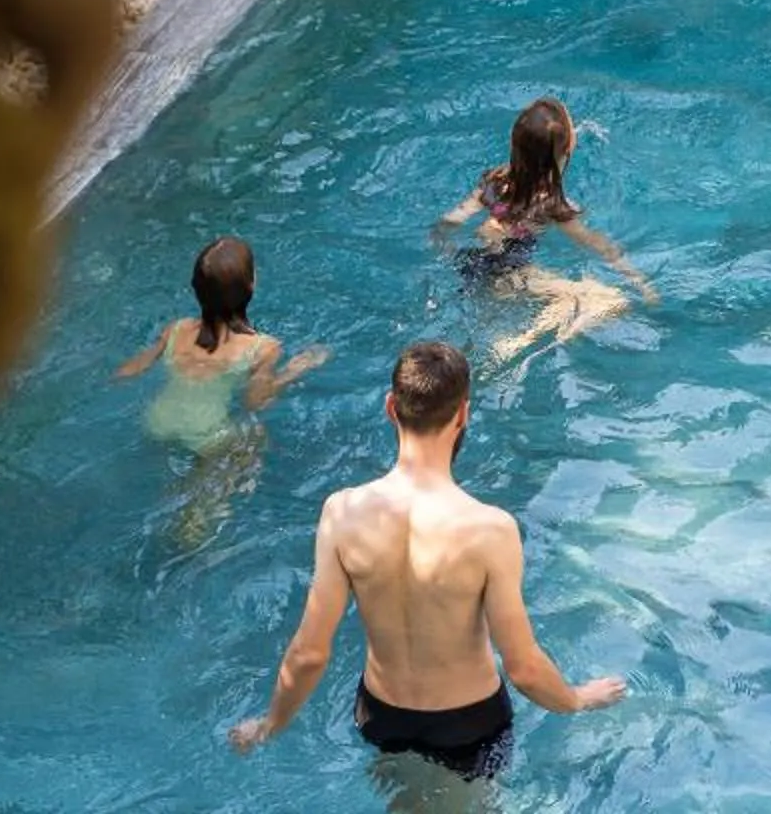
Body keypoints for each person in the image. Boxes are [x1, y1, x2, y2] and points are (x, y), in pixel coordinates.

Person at [230, 341, 628, 775]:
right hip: (470, 722)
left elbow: (309, 653)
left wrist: (269, 725)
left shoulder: (341, 512)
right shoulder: (489, 528)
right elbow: (523, 666)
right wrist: (577, 699)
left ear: (390, 408)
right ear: (463, 415)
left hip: (381, 717)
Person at [114, 236, 327, 547]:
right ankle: (196, 517)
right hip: (206, 432)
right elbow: (256, 402)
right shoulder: (262, 348)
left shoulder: (175, 329)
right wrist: (296, 370)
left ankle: (173, 488)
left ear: (194, 288)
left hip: (158, 420)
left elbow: (128, 372)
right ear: (252, 285)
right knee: (253, 440)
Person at [433, 97, 656, 374]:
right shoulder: (551, 204)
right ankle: (517, 343)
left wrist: (444, 246)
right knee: (610, 301)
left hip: (470, 264)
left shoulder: (495, 180)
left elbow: (449, 222)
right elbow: (597, 244)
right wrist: (639, 280)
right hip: (512, 274)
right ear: (567, 151)